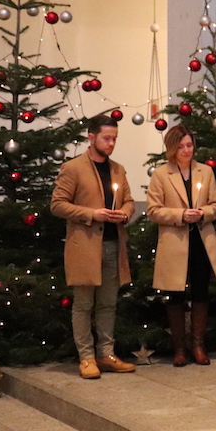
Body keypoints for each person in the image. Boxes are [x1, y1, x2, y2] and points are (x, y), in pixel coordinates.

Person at [50, 114, 136, 379]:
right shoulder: (73, 168)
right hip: (85, 246)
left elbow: (129, 201)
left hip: (113, 244)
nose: (111, 144)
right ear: (91, 137)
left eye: (114, 139)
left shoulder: (118, 169)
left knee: (108, 303)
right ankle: (86, 357)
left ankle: (106, 354)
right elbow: (57, 205)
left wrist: (124, 213)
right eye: (106, 138)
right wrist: (91, 214)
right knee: (84, 304)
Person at [146, 125, 216, 367]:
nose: (186, 150)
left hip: (201, 240)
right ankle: (179, 348)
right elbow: (153, 210)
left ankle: (198, 345)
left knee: (201, 291)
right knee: (175, 293)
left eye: (189, 145)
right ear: (172, 148)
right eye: (181, 146)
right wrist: (181, 215)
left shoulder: (205, 172)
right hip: (175, 241)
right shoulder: (161, 174)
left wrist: (202, 213)